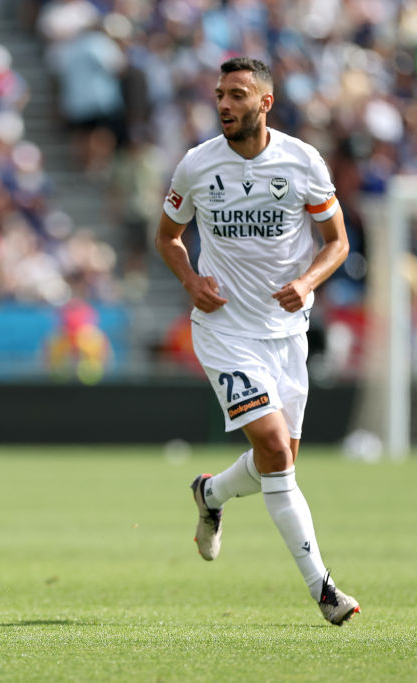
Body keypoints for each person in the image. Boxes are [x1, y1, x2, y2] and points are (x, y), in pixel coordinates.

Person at [154, 57, 359, 625]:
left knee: (279, 460)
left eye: (237, 94)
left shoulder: (301, 161)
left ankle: (211, 495)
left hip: (287, 334)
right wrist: (191, 280)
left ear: (264, 103)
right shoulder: (197, 164)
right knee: (272, 447)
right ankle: (324, 590)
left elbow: (337, 241)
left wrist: (308, 280)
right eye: (220, 93)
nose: (224, 103)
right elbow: (168, 237)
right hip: (225, 332)